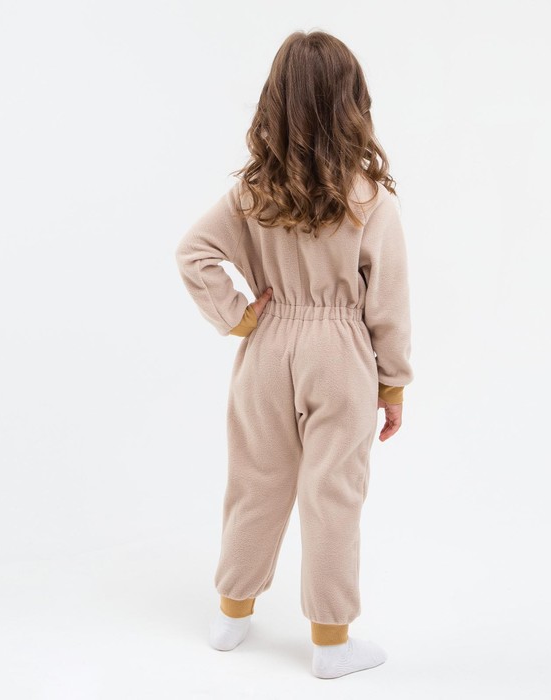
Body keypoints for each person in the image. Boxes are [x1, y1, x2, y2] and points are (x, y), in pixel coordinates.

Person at [175, 29, 413, 680]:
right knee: (332, 495)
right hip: (339, 354)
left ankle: (232, 615)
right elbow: (388, 302)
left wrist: (238, 316)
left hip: (268, 345)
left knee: (255, 481)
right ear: (352, 103)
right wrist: (392, 384)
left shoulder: (253, 192)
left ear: (274, 103)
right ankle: (332, 645)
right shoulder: (369, 199)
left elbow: (193, 252)